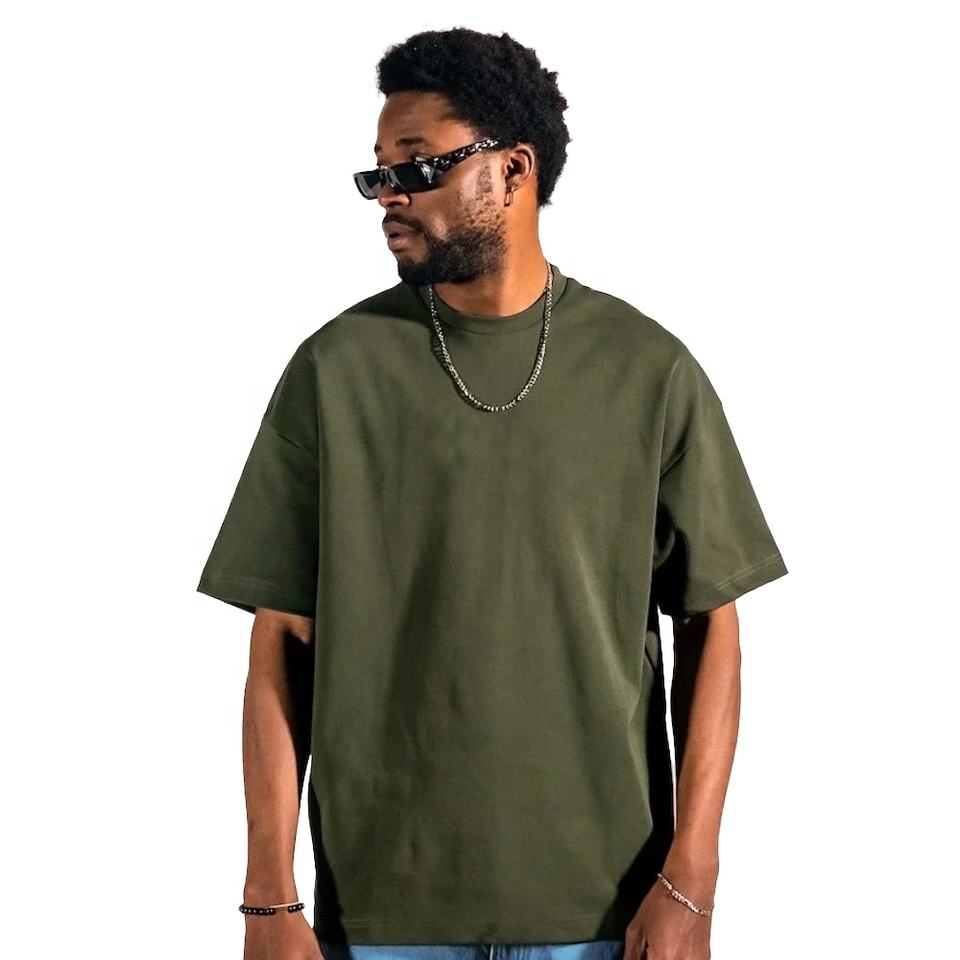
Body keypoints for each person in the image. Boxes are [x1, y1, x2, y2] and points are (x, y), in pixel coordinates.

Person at [196, 27, 788, 960]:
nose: (389, 194)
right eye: (378, 172)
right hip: (387, 916)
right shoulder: (334, 373)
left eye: (416, 164)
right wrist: (267, 897)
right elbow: (280, 640)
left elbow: (712, 624)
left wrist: (694, 880)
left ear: (512, 170)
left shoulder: (648, 371)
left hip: (607, 913)